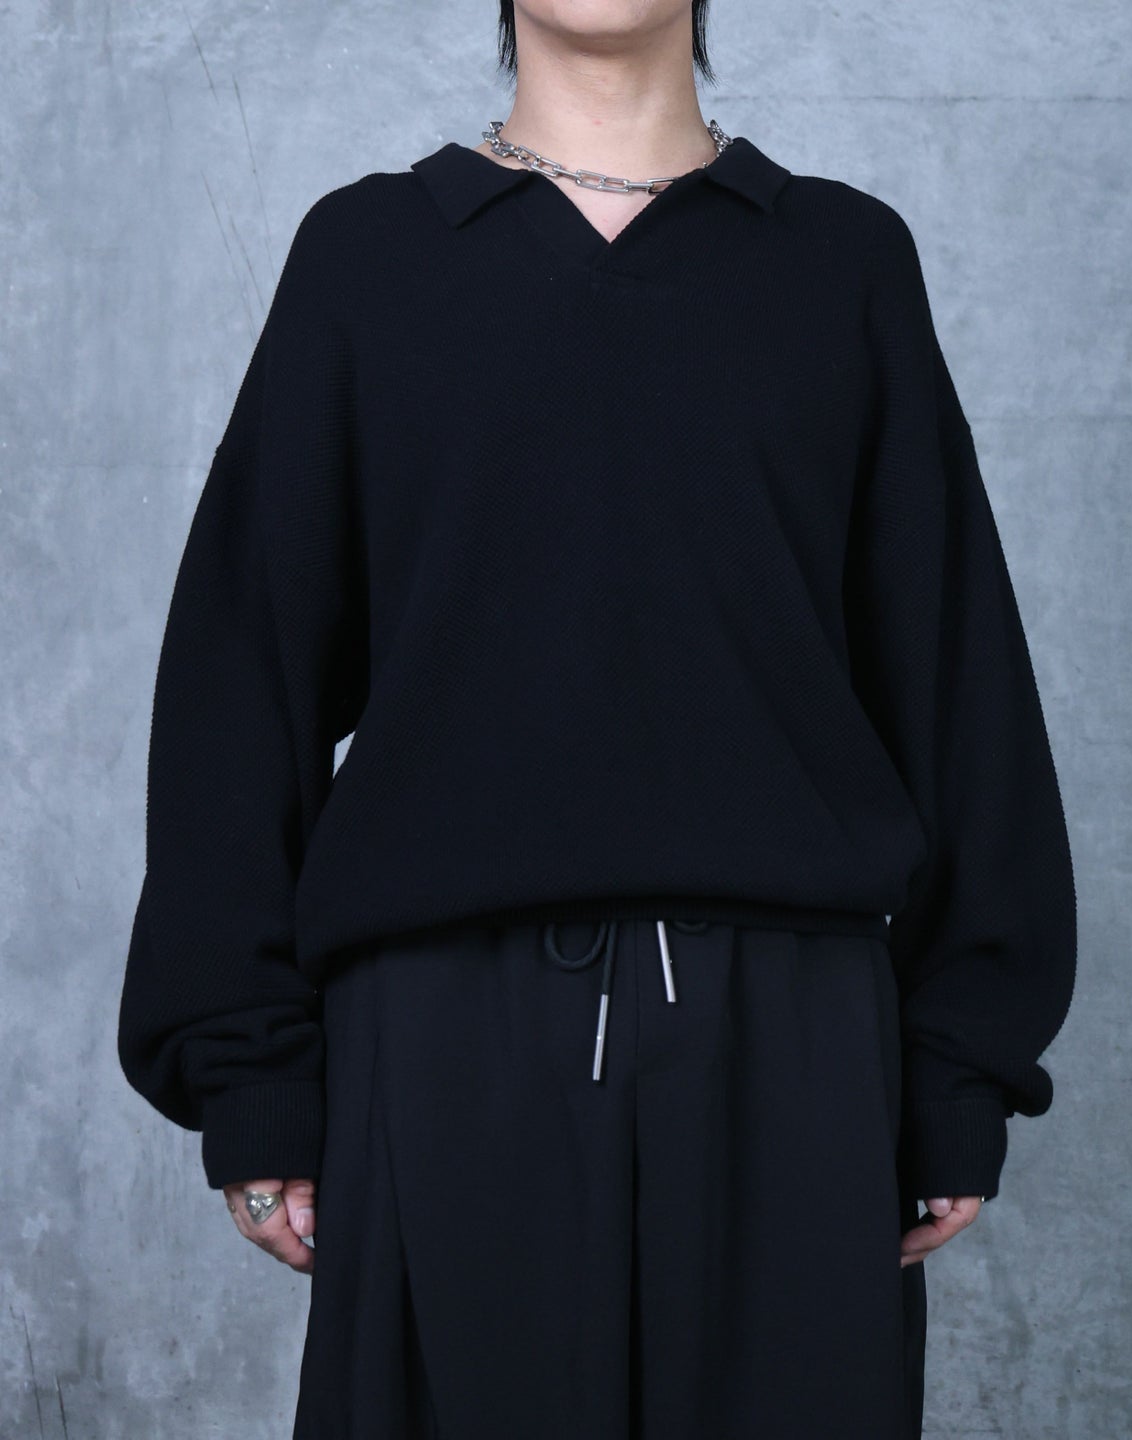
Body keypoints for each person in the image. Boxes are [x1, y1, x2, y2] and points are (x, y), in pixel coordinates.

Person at [116, 1, 1078, 1436]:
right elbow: (239, 684)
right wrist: (250, 1072)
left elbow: (957, 680)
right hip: (444, 1041)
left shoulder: (840, 260)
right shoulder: (369, 258)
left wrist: (959, 1067)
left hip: (792, 1048)